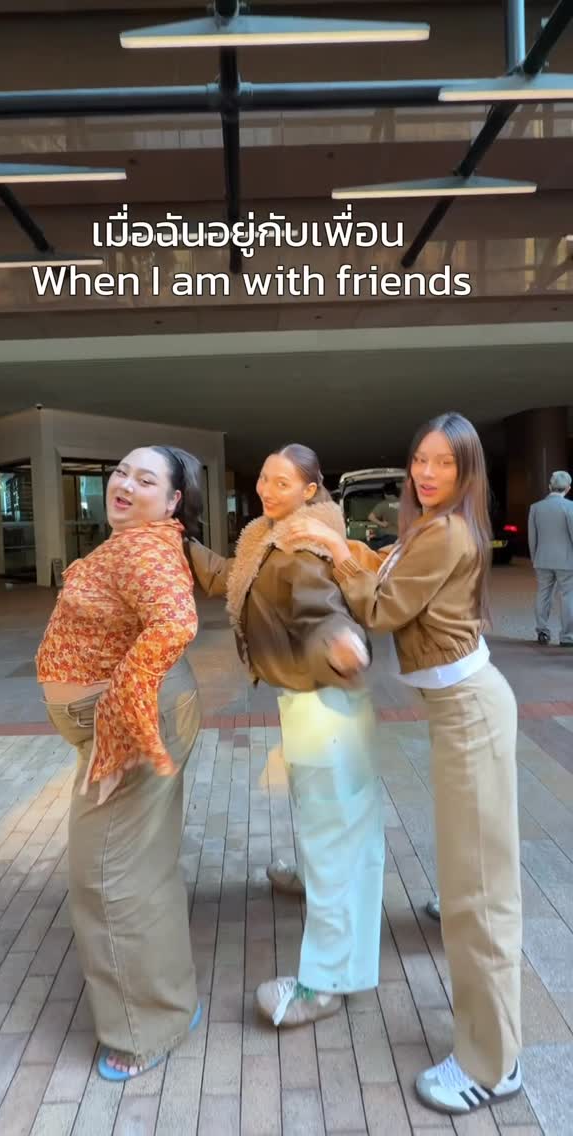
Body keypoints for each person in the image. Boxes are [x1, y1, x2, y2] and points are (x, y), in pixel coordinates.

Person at [286, 413, 522, 1117]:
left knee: (480, 897)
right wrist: (353, 551)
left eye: (444, 463)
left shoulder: (445, 531)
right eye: (421, 458)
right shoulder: (430, 527)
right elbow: (387, 571)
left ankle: (493, 1065)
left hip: (471, 713)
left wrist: (333, 551)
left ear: (467, 470)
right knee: (469, 880)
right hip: (461, 713)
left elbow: (382, 609)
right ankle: (492, 1046)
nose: (427, 473)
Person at [188, 444, 384, 1029]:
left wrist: (341, 644)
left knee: (335, 839)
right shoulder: (267, 538)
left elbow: (321, 611)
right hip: (310, 702)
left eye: (282, 482)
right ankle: (309, 878)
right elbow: (231, 579)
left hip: (326, 703)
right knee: (329, 825)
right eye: (265, 479)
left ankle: (326, 982)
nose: (267, 490)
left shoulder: (302, 547)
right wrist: (180, 541)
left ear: (309, 490)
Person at [36, 445, 204, 1082]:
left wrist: (114, 722)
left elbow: (175, 622)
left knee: (106, 878)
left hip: (134, 722)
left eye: (146, 479)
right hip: (146, 711)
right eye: (122, 472)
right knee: (141, 866)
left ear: (172, 500)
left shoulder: (145, 549)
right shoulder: (142, 542)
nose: (125, 484)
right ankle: (168, 1005)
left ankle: (146, 1030)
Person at [528, 469, 573, 647]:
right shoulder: (570, 507)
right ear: (568, 488)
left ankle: (542, 631)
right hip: (567, 561)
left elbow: (532, 537)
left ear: (549, 487)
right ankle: (567, 637)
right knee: (568, 596)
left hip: (542, 559)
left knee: (543, 594)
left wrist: (535, 558)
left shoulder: (535, 507)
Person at [368, 480, 401, 547]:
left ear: (385, 493)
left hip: (389, 538)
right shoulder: (405, 503)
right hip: (404, 537)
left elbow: (370, 517)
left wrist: (382, 524)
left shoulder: (383, 505)